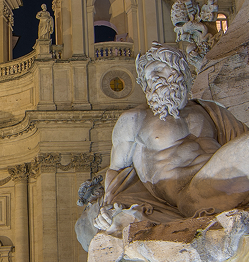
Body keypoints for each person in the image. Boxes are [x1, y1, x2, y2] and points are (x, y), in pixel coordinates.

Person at [92, 43, 249, 234]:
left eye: (159, 70)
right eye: (149, 77)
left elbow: (237, 138)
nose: (155, 78)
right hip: (191, 194)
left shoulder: (208, 109)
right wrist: (108, 208)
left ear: (179, 71)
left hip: (226, 179)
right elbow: (117, 170)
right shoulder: (135, 119)